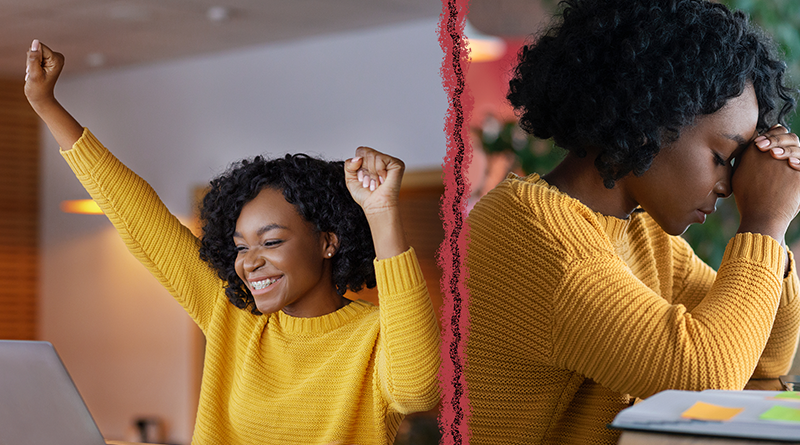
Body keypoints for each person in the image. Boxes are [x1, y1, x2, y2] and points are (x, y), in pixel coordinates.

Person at [24, 40, 440, 445]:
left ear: (327, 242)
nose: (251, 262)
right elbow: (139, 218)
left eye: (271, 241)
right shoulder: (233, 312)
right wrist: (47, 105)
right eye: (241, 247)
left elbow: (418, 389)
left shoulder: (373, 337)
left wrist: (382, 211)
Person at [464, 0, 800, 444]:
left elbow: (763, 363)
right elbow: (703, 374)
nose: (729, 185)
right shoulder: (533, 233)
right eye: (722, 157)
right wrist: (765, 222)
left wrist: (771, 227)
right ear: (651, 121)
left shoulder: (643, 236)